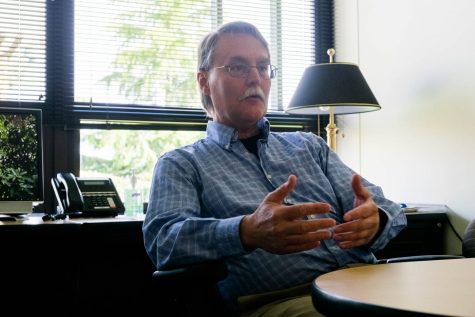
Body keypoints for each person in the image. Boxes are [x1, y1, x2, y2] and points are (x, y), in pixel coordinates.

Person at [142, 21, 407, 317]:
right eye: (238, 67)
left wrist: (375, 221)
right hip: (287, 300)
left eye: (263, 66)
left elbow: (388, 209)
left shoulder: (310, 146)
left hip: (368, 282)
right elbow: (163, 241)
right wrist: (245, 231)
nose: (255, 78)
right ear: (204, 81)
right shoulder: (182, 164)